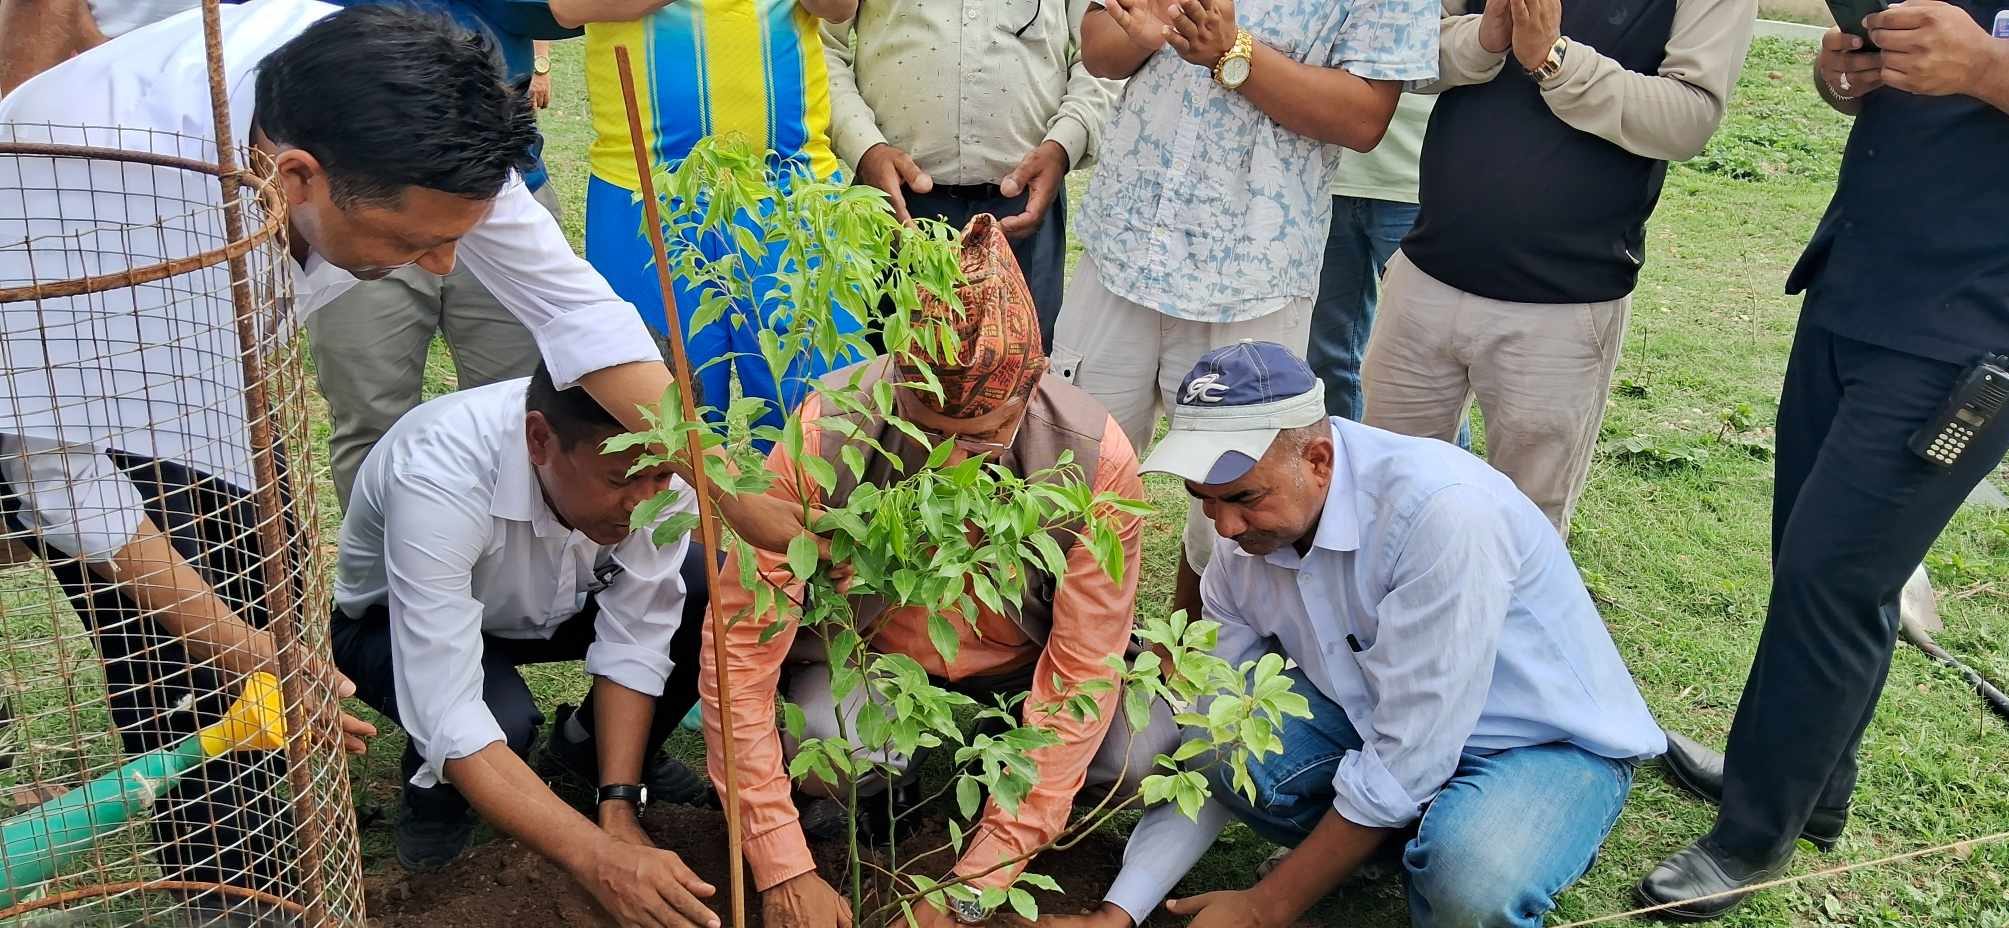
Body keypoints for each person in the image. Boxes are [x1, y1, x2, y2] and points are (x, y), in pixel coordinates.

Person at [0, 0, 800, 905]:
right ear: (296, 178)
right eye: (414, 242)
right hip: (58, 368)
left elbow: (574, 309)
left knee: (255, 570)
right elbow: (61, 481)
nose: (445, 268)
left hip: (211, 360)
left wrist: (728, 490)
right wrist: (251, 652)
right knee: (181, 658)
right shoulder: (88, 204)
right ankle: (233, 887)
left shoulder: (393, 103)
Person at [1043, 341, 1664, 928]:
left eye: (1243, 496)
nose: (1224, 527)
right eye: (1203, 498)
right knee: (1220, 743)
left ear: (1318, 460)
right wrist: (1119, 911)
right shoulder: (1246, 541)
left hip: (1536, 744)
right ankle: (1389, 844)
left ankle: (1445, 842)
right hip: (1373, 720)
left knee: (1471, 884)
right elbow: (1209, 731)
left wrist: (1267, 906)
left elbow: (1412, 748)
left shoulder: (1444, 514)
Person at [1636, 4, 2009, 919]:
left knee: (1830, 573)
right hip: (1857, 281)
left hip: (1968, 329)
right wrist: (1848, 72)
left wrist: (1985, 69)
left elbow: (1977, 72)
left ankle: (1754, 831)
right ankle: (1807, 785)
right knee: (1815, 558)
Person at [701, 220, 1173, 928]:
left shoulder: (1093, 461)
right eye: (927, 432)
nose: (946, 467)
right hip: (875, 658)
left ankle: (1003, 794)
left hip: (1025, 663)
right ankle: (885, 784)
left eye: (977, 441)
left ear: (1032, 388)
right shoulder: (829, 428)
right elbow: (739, 646)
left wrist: (971, 890)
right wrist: (781, 865)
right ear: (898, 374)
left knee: (1137, 752)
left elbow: (1083, 669)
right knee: (831, 743)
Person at [1053, 0, 1439, 627]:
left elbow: (1365, 116)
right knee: (1071, 478)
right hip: (1125, 245)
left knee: (1235, 510)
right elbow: (1099, 46)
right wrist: (1145, 36)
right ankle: (1065, 655)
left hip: (1253, 271)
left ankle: (1186, 665)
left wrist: (1236, 55)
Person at [329, 364, 718, 927]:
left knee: (701, 588)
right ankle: (436, 800)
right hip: (394, 623)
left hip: (554, 602)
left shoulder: (653, 453)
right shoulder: (438, 473)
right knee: (499, 721)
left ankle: (589, 754)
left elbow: (640, 628)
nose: (645, 503)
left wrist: (617, 802)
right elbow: (448, 706)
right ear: (539, 439)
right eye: (620, 481)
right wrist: (598, 859)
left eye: (663, 478)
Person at [1358, 0, 1754, 535]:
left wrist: (1554, 59)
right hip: (1427, 271)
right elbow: (1410, 55)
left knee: (1523, 532)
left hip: (1563, 303)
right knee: (1384, 503)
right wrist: (1483, 39)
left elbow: (1689, 119)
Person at [309, 0, 581, 510]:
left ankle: (507, 561)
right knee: (372, 420)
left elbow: (568, 9)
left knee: (518, 413)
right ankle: (382, 561)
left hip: (489, 186)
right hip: (364, 198)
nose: (440, 257)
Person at [576, 0, 861, 437]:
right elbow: (567, 7)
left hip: (790, 185)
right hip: (645, 190)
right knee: (663, 418)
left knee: (818, 414)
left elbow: (838, 9)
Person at [821, 0, 1121, 346]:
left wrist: (1064, 146)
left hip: (1025, 208)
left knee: (1024, 372)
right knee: (885, 368)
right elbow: (821, 44)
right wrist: (865, 149)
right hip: (894, 205)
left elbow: (1106, 49)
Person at [1307, 93, 1433, 423]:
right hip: (1325, 176)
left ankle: (1435, 460)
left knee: (1425, 366)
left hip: (1417, 179)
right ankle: (1343, 456)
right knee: (1325, 359)